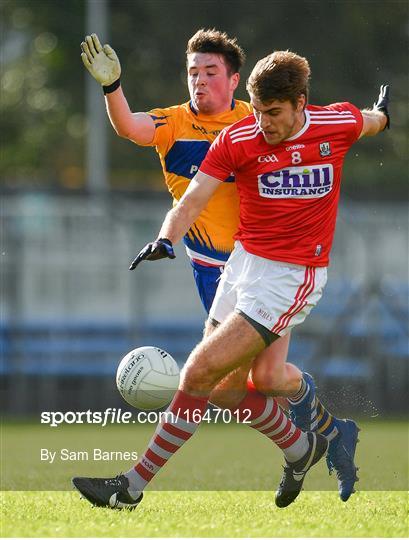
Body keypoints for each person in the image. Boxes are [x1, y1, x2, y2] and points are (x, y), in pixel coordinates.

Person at [78, 35, 385, 505]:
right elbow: (193, 197)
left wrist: (386, 115)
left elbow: (370, 120)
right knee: (227, 389)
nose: (264, 123)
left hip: (290, 278)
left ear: (301, 103)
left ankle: (131, 487)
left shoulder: (333, 122)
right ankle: (305, 447)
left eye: (275, 114)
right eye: (258, 112)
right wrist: (166, 238)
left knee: (198, 370)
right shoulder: (239, 137)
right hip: (242, 267)